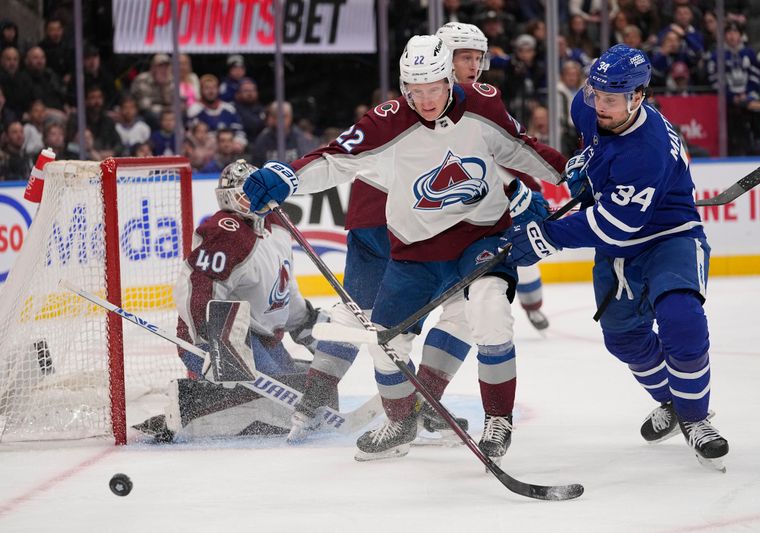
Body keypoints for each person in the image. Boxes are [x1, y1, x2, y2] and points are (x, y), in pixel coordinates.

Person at [243, 35, 565, 462]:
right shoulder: (389, 120)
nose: (427, 99)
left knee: (484, 311)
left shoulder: (483, 104)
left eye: (435, 87)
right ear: (404, 85)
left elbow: (520, 151)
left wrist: (570, 173)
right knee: (379, 332)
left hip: (477, 236)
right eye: (416, 90)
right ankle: (388, 414)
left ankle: (474, 415)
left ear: (450, 76)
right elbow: (337, 158)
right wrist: (289, 176)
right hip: (405, 239)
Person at [500, 44, 729, 471]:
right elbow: (597, 168)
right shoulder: (586, 107)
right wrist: (585, 176)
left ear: (638, 97)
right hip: (621, 246)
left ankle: (696, 418)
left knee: (682, 318)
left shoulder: (648, 150)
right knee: (623, 338)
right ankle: (672, 400)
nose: (598, 104)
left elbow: (615, 225)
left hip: (668, 236)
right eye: (595, 92)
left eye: (610, 98)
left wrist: (547, 235)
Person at [134, 160, 336, 442]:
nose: (254, 200)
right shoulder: (227, 232)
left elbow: (282, 286)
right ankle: (185, 411)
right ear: (227, 197)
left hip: (261, 336)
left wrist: (304, 323)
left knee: (299, 389)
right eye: (245, 193)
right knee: (275, 400)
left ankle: (208, 405)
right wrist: (208, 344)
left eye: (258, 193)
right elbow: (195, 286)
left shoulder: (276, 226)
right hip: (217, 338)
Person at [438, 21, 551, 330]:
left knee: (518, 249)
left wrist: (526, 187)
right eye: (466, 58)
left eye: (479, 58)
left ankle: (531, 305)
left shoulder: (485, 99)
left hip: (489, 196)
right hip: (449, 205)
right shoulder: (424, 98)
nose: (476, 67)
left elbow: (513, 146)